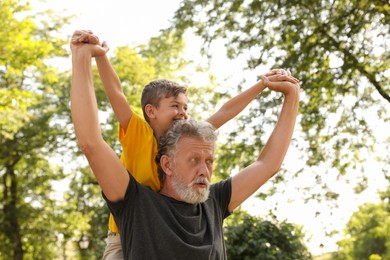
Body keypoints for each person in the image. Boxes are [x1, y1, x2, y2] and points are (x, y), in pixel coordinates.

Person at [70, 30, 300, 259]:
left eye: (209, 160)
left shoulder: (196, 154)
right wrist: (93, 56)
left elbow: (263, 157)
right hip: (125, 232)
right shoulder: (138, 140)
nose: (182, 114)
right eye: (194, 159)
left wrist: (270, 87)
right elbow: (100, 124)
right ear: (167, 164)